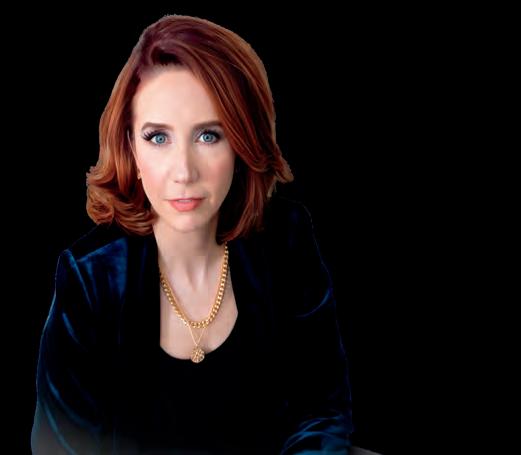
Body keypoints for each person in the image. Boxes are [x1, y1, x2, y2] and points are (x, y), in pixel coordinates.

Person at [31, 14, 352, 454]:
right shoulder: (91, 278)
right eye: (158, 138)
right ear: (130, 147)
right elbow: (61, 448)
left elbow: (322, 411)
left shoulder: (286, 239)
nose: (184, 171)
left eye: (208, 135)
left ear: (241, 142)